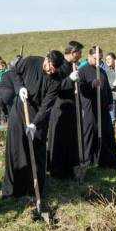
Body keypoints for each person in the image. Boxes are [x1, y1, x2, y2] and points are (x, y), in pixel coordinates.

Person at [1, 52, 64, 199]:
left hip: (38, 117)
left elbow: (47, 105)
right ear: (47, 59)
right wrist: (20, 87)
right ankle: (12, 191)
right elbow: (14, 71)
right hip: (19, 110)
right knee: (16, 149)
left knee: (37, 151)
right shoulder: (31, 61)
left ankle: (35, 189)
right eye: (51, 67)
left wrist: (35, 124)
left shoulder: (56, 80)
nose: (52, 71)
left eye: (55, 69)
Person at [77, 47, 116, 169]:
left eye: (100, 59)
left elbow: (106, 89)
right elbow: (81, 89)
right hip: (89, 107)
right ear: (89, 56)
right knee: (90, 133)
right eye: (96, 58)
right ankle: (87, 160)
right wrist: (92, 84)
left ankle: (107, 159)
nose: (98, 61)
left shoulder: (102, 71)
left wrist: (110, 101)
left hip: (103, 107)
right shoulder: (82, 71)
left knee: (106, 132)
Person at [47, 41, 84, 179]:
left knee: (70, 138)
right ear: (73, 52)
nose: (81, 56)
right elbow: (56, 86)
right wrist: (69, 79)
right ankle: (57, 170)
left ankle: (69, 168)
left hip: (71, 107)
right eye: (79, 53)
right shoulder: (60, 66)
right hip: (60, 107)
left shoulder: (74, 66)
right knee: (60, 139)